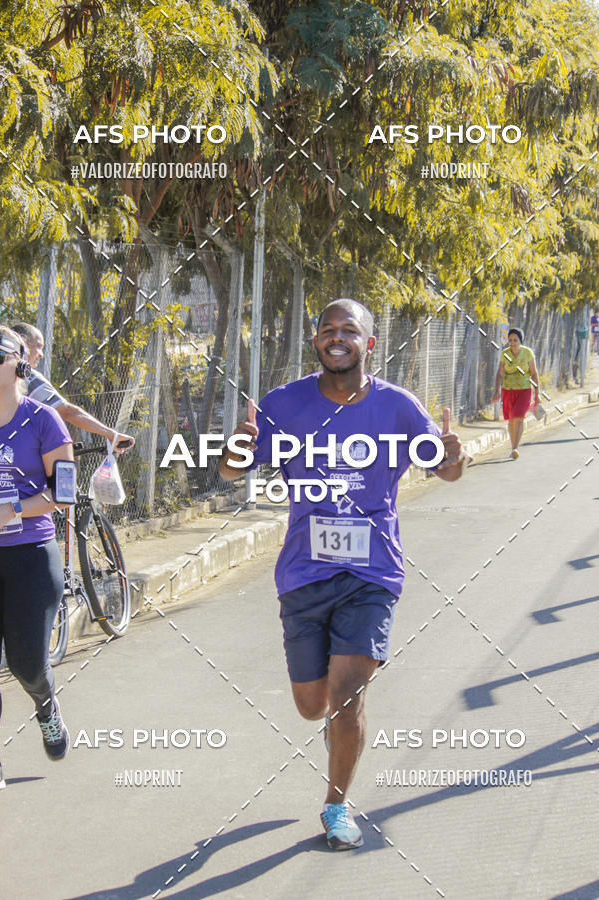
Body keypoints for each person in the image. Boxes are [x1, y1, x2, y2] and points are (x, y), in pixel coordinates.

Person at [219, 299, 466, 850]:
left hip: (372, 572)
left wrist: (455, 455)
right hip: (303, 574)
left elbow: (445, 470)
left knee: (349, 695)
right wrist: (235, 449)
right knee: (314, 705)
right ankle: (333, 724)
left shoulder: (398, 407)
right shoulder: (283, 404)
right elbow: (232, 467)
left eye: (349, 330)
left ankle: (335, 805)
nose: (338, 337)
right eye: (328, 329)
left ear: (368, 345)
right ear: (316, 342)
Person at [0, 326, 75, 790]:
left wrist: (11, 510)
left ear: (19, 365)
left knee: (27, 663)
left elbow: (63, 493)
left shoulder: (44, 419)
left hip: (30, 551)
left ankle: (46, 705)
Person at [11, 323, 135, 452]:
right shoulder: (27, 377)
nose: (41, 354)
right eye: (39, 347)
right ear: (22, 343)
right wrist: (111, 435)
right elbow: (68, 412)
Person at [492, 327, 539, 459]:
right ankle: (513, 446)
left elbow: (534, 374)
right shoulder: (505, 354)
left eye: (515, 340)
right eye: (510, 340)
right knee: (511, 419)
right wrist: (496, 391)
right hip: (508, 390)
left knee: (518, 417)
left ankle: (515, 448)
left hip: (524, 390)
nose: (512, 342)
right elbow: (500, 374)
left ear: (520, 341)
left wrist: (538, 394)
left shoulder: (528, 353)